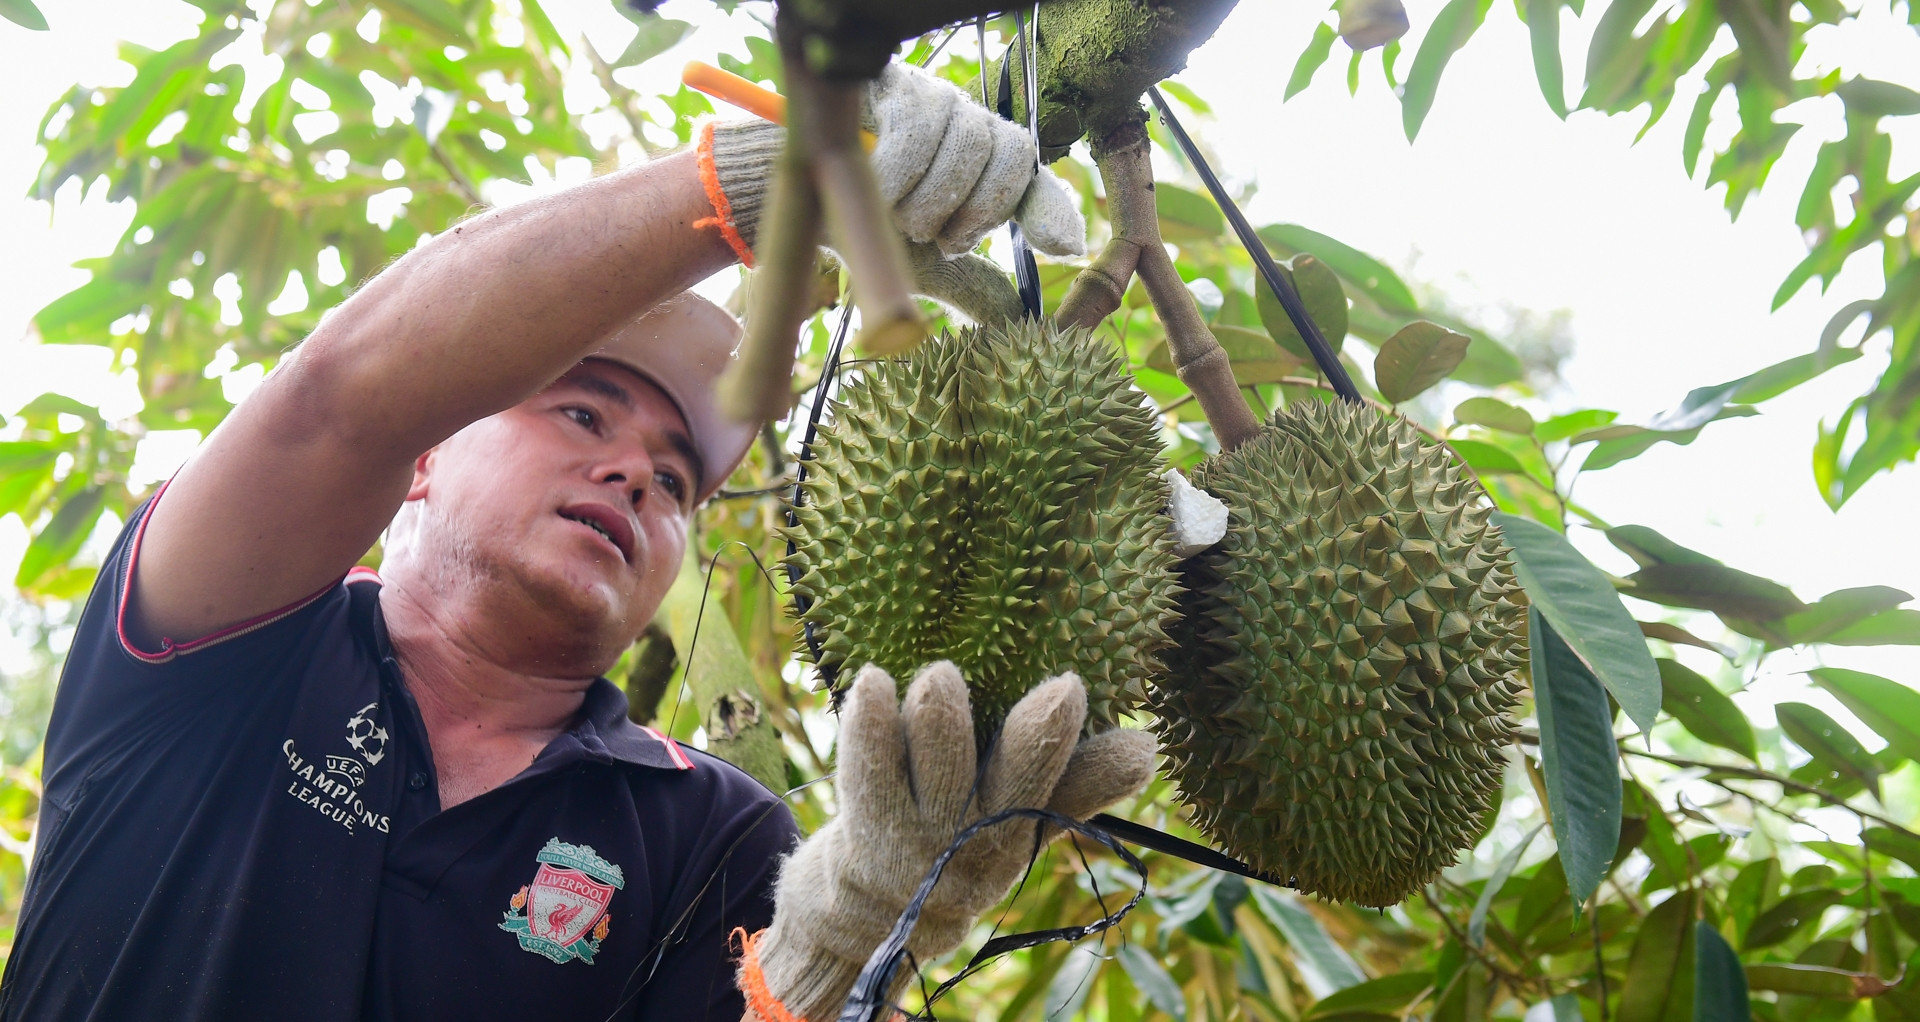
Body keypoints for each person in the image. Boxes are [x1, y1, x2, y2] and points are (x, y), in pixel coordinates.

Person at [0, 61, 1153, 1021]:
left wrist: (835, 949)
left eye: (676, 477)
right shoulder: (227, 636)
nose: (635, 474)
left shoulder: (714, 831)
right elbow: (339, 401)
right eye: (583, 415)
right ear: (426, 454)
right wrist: (763, 177)